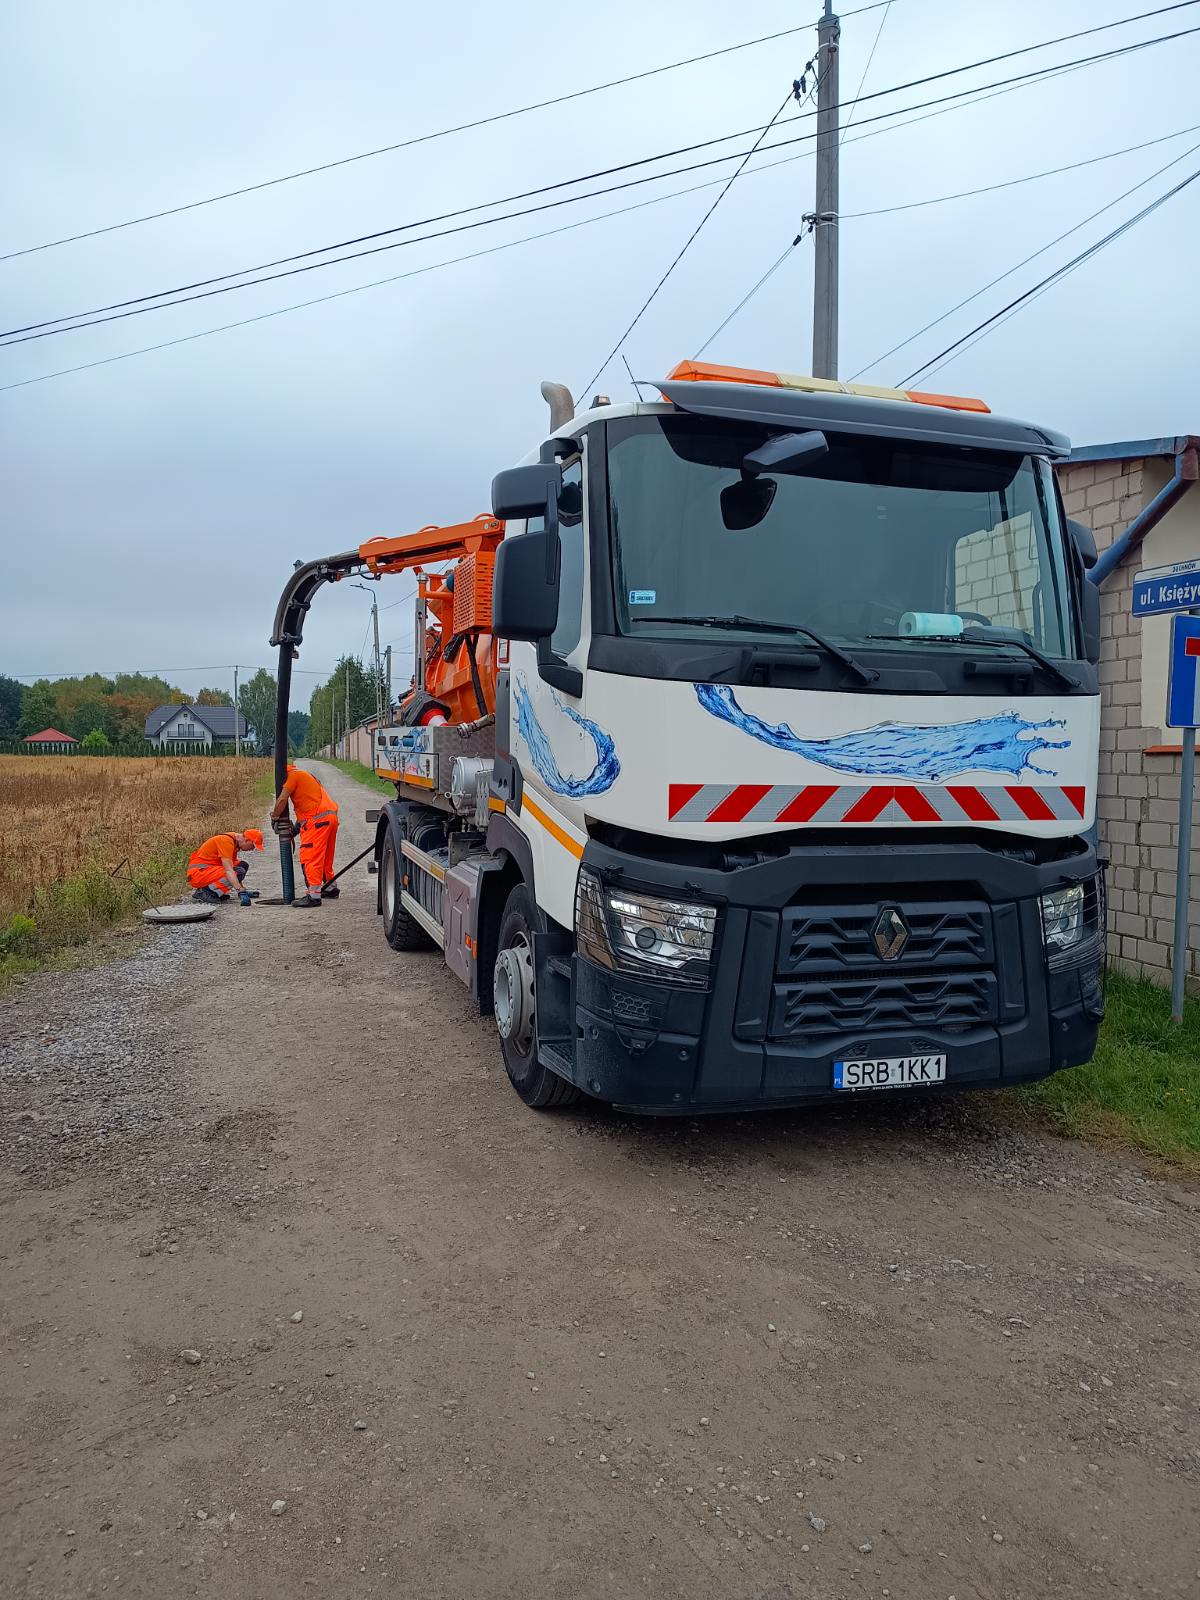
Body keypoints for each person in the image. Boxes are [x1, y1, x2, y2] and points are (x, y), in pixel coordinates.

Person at [271, 764, 339, 909]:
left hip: (318, 821)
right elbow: (309, 804)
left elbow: (282, 800)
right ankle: (330, 888)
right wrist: (296, 829)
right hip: (330, 817)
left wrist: (275, 816)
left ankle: (313, 896)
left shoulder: (292, 777)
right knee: (325, 857)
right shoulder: (305, 775)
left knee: (310, 857)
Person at [187, 828, 265, 905]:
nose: (252, 849)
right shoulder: (226, 841)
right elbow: (229, 870)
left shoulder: (233, 841)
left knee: (242, 865)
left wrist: (242, 890)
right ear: (247, 840)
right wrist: (240, 892)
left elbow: (234, 868)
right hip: (198, 874)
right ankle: (206, 892)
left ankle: (215, 892)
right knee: (238, 871)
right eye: (253, 846)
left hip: (205, 872)